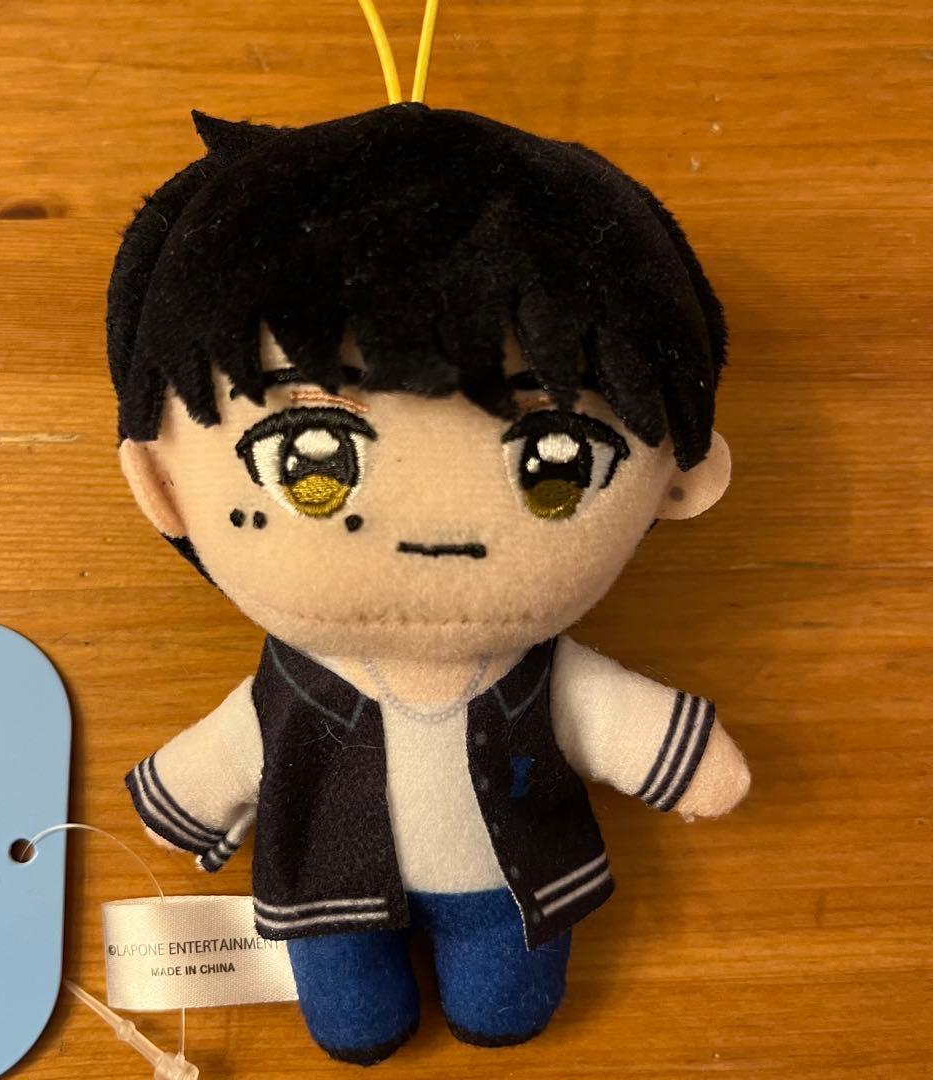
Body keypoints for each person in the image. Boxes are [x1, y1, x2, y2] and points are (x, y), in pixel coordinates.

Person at [109, 103, 750, 1065]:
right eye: (310, 456)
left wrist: (690, 763)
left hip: (511, 891)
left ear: (679, 480)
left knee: (506, 1001)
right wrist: (184, 800)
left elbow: (614, 718)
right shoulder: (290, 691)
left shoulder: (541, 675)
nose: (434, 535)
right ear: (164, 487)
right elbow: (232, 751)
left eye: (556, 458)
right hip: (327, 896)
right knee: (350, 1016)